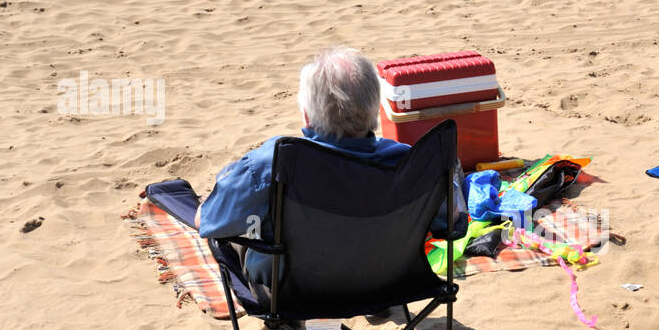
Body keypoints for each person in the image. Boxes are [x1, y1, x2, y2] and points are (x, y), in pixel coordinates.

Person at [197, 46, 465, 284]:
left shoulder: (273, 164)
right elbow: (453, 223)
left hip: (295, 293)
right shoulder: (411, 164)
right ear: (375, 110)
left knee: (239, 223)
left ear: (306, 114)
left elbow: (207, 222)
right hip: (388, 282)